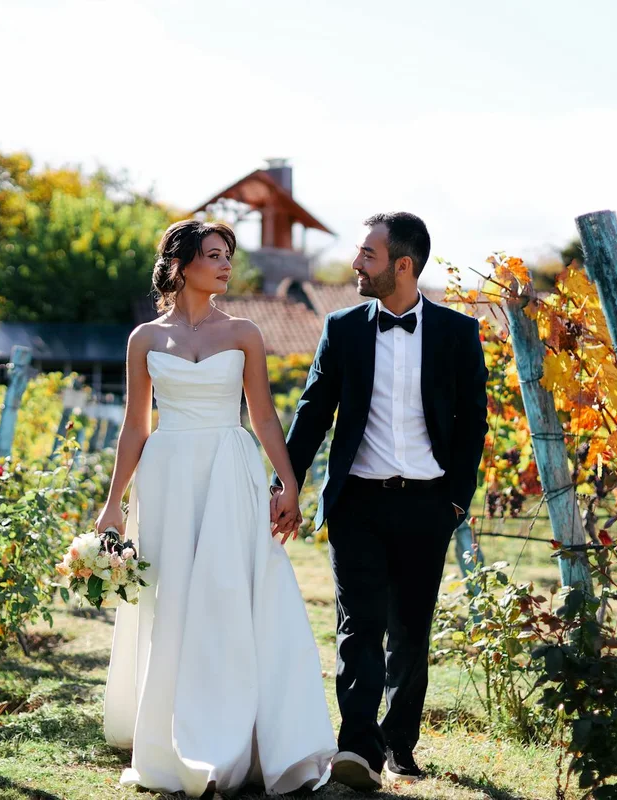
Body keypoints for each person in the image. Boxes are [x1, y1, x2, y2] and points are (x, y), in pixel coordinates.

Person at [96, 219, 336, 797]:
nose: (227, 265)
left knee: (232, 591)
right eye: (214, 255)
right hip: (168, 476)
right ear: (181, 266)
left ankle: (240, 734)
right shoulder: (144, 340)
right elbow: (135, 428)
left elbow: (263, 415)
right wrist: (111, 505)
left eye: (228, 255)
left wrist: (288, 482)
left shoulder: (245, 333)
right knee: (172, 597)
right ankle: (171, 732)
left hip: (231, 471)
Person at [274, 212, 488, 790]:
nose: (355, 264)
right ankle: (358, 749)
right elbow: (313, 413)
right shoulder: (341, 328)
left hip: (428, 505)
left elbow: (473, 424)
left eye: (367, 255)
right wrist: (286, 485)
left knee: (411, 630)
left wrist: (456, 503)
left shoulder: (457, 333)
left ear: (403, 264)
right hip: (357, 504)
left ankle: (400, 745)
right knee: (358, 626)